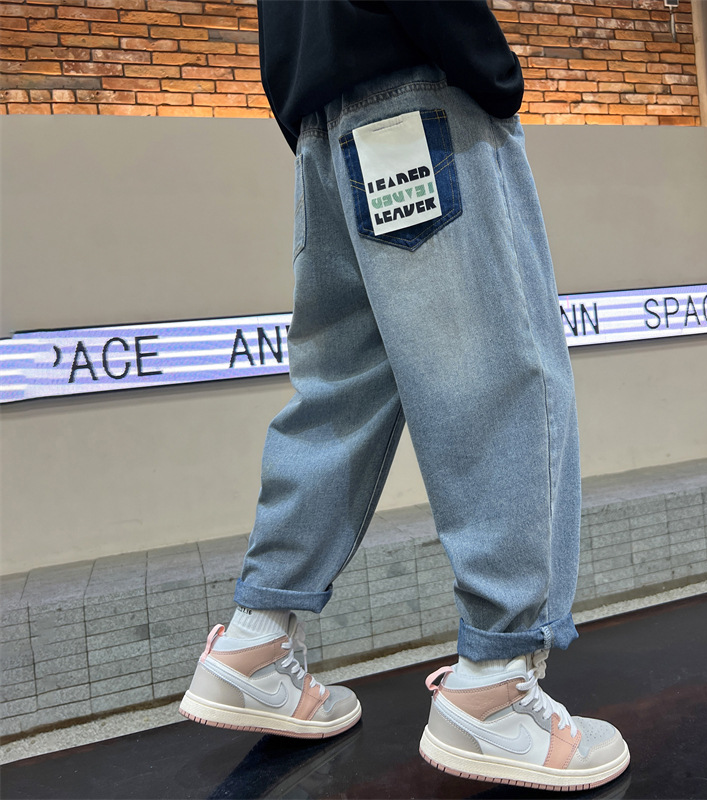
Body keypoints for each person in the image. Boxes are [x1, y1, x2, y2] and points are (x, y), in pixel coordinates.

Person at [179, 0, 630, 791]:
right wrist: (490, 69)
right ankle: (495, 688)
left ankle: (255, 639)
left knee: (342, 389)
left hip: (319, 121)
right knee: (496, 375)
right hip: (416, 92)